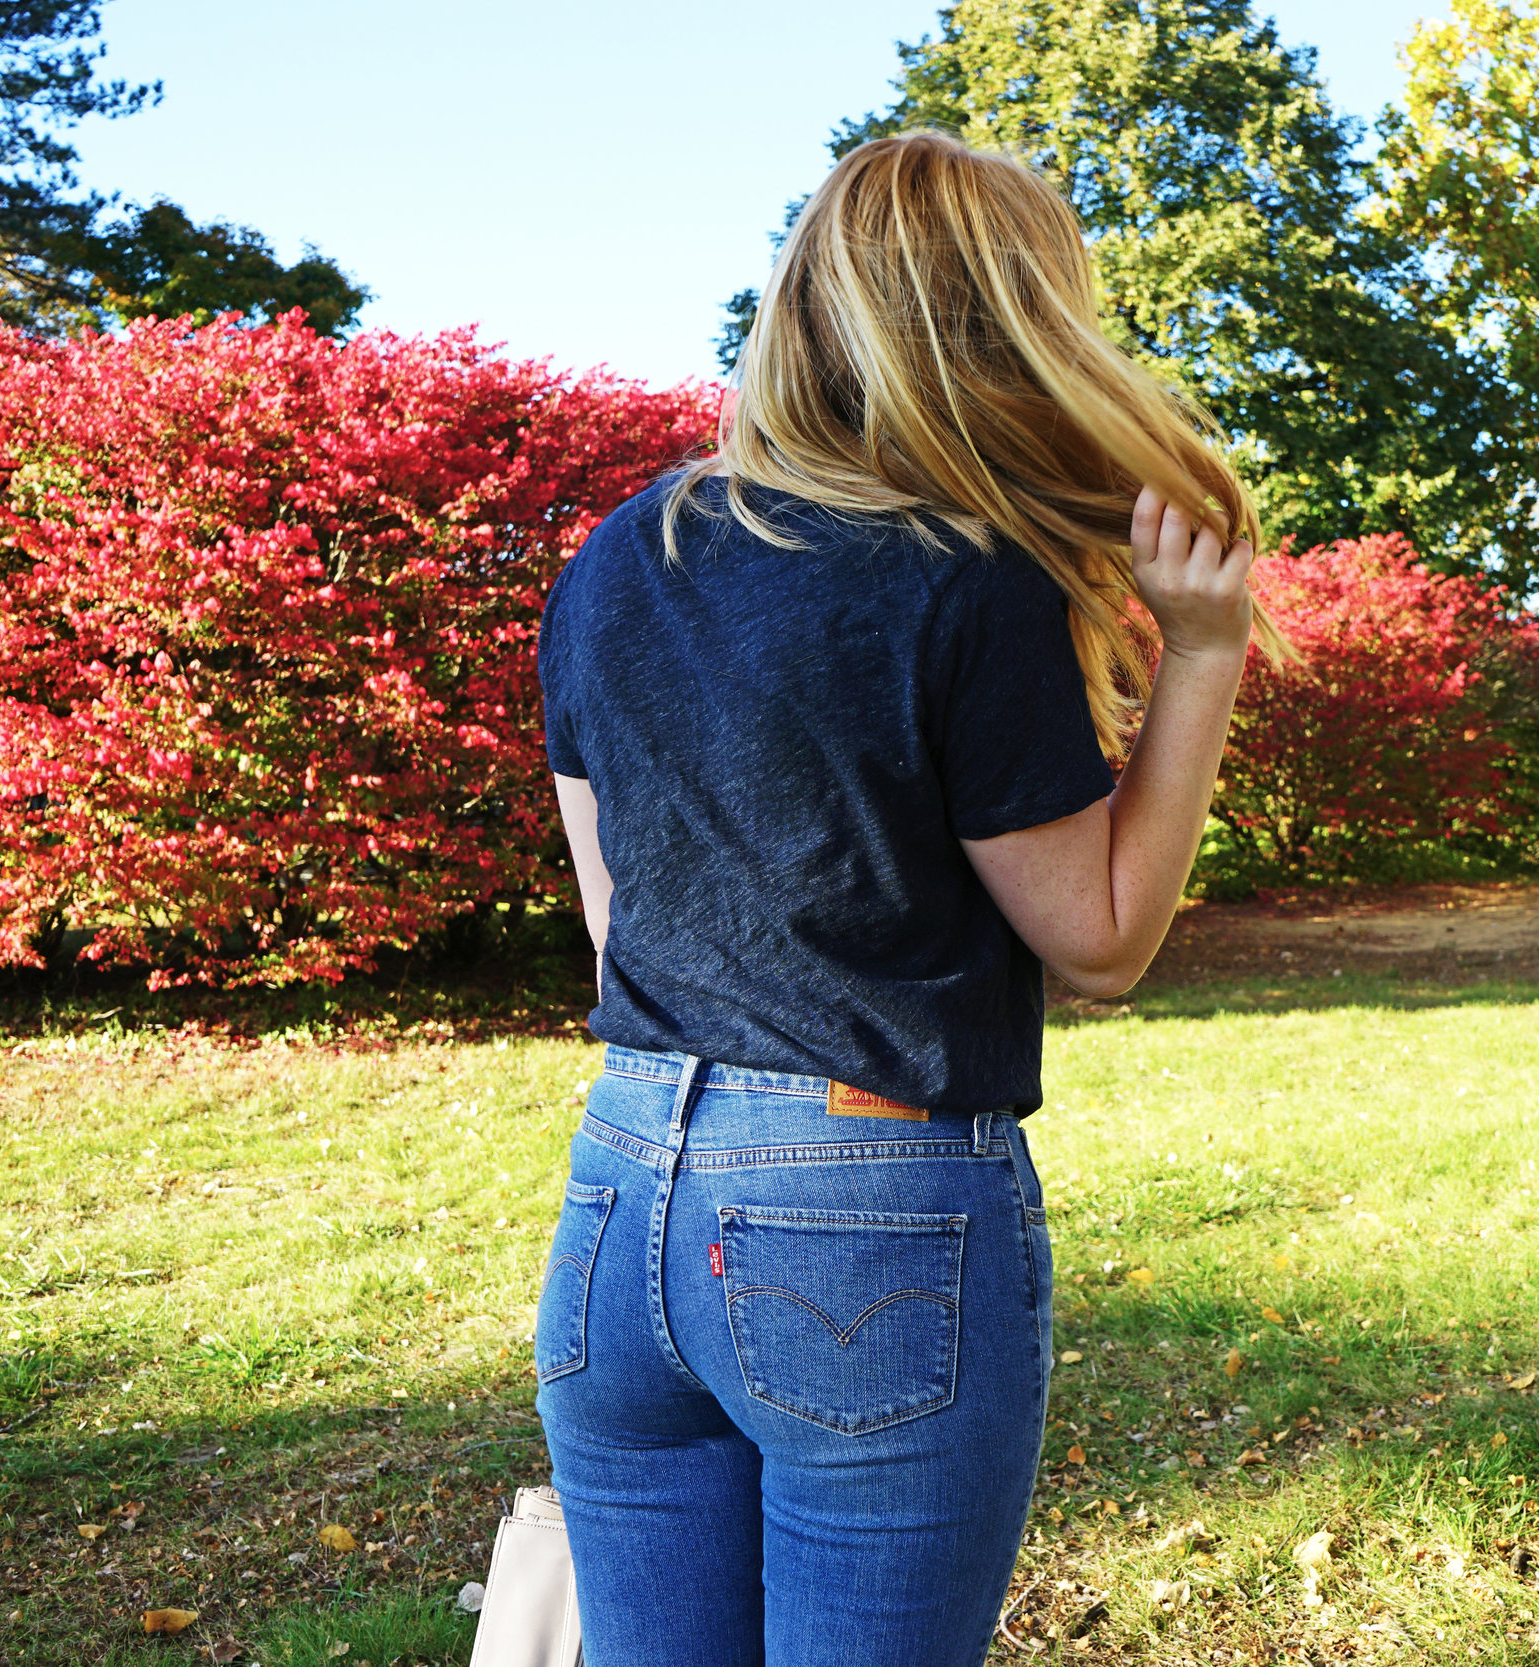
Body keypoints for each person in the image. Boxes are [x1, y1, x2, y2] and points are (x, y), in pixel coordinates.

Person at [532, 128, 1280, 1666]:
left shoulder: (622, 553)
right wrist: (1203, 650)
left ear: (804, 303)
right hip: (864, 1206)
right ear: (1016, 334)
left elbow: (622, 930)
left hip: (621, 1189)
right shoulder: (961, 579)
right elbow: (1104, 937)